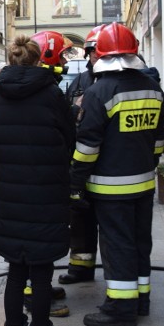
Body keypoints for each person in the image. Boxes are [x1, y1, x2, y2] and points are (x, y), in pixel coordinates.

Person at [70, 22, 164, 326]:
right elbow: (159, 139)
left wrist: (75, 181)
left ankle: (120, 309)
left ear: (100, 55)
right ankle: (141, 301)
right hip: (143, 183)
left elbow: (87, 147)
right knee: (140, 242)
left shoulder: (99, 92)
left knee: (117, 245)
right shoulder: (153, 88)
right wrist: (145, 164)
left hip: (111, 188)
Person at [0, 32, 75, 326]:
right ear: (40, 60)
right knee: (41, 274)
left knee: (15, 272)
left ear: (12, 59)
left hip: (10, 197)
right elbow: (70, 138)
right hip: (45, 195)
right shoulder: (52, 94)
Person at [59, 24, 103, 285]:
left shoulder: (114, 82)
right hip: (80, 163)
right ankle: (80, 268)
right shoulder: (80, 81)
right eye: (92, 52)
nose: (96, 55)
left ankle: (117, 274)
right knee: (80, 221)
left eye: (99, 51)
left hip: (106, 166)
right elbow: (65, 115)